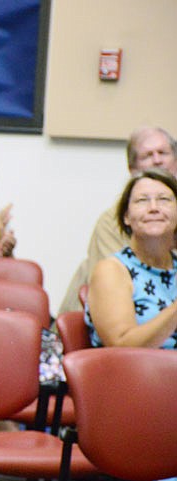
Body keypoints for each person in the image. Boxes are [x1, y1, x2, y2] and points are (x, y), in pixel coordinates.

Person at [59, 126, 177, 314]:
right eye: (147, 155)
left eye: (163, 153)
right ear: (132, 169)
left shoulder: (171, 216)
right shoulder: (112, 221)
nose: (157, 160)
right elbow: (118, 287)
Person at [86, 168, 177, 349]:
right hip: (137, 374)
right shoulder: (112, 270)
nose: (153, 208)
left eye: (164, 199)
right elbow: (122, 347)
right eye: (142, 201)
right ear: (126, 216)